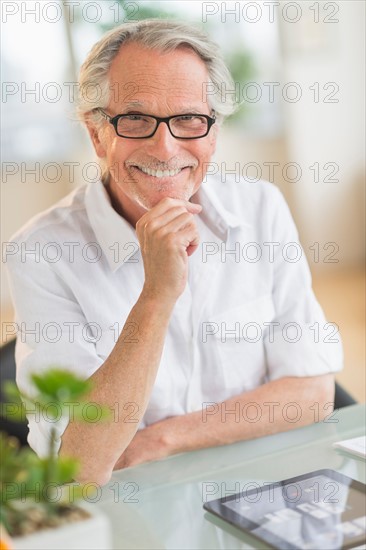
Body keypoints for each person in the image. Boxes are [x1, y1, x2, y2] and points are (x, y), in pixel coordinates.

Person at [6, 19, 342, 486]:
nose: (165, 148)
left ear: (215, 130)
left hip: (256, 486)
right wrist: (156, 296)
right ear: (98, 133)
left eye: (189, 119)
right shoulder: (40, 252)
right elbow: (80, 464)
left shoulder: (260, 207)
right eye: (136, 119)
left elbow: (313, 392)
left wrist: (163, 440)